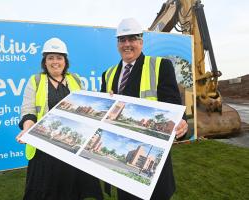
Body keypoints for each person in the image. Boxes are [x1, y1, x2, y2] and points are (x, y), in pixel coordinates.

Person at [100, 18, 188, 200]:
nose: (127, 44)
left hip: (153, 156)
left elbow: (173, 103)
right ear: (117, 44)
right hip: (123, 157)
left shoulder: (160, 66)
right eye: (122, 40)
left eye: (132, 39)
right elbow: (104, 113)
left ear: (141, 41)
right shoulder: (107, 74)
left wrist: (181, 121)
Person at [16, 37, 102, 200]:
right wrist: (27, 129)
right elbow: (28, 110)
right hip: (44, 149)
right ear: (45, 61)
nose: (55, 62)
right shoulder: (35, 81)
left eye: (59, 57)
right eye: (50, 57)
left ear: (65, 60)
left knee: (72, 190)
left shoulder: (75, 80)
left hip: (71, 145)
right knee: (45, 191)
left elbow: (87, 107)